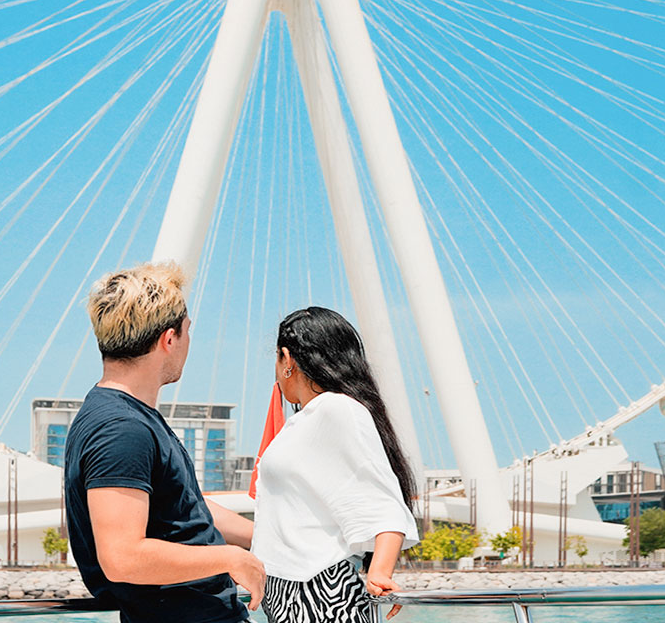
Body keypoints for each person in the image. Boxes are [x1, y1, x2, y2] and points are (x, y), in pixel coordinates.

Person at [63, 261, 265, 623]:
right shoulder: (120, 429)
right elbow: (122, 557)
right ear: (169, 339)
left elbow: (184, 509)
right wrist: (231, 558)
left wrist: (267, 538)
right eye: (187, 332)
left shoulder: (130, 418)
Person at [252, 306, 419, 623]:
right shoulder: (304, 420)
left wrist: (380, 572)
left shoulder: (336, 409)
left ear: (287, 360)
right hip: (291, 594)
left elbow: (382, 501)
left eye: (276, 360)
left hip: (320, 593)